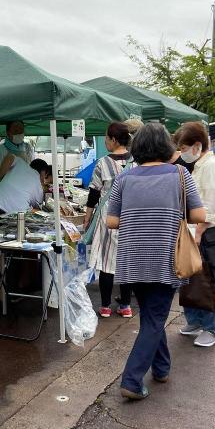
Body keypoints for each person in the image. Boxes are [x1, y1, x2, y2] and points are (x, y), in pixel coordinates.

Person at [106, 123, 206, 399]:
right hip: (165, 258)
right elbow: (198, 215)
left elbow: (111, 220)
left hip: (132, 258)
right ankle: (132, 380)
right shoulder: (180, 174)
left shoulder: (124, 178)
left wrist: (138, 215)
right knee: (154, 318)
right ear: (167, 147)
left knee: (151, 314)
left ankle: (161, 368)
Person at [175, 121, 215, 348]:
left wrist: (197, 235)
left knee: (208, 282)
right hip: (194, 232)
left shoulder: (210, 167)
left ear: (197, 145)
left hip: (207, 233)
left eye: (184, 148)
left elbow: (210, 205)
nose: (182, 153)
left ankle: (213, 328)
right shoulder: (200, 165)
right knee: (192, 280)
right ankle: (196, 321)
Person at [84, 121, 134, 318]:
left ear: (114, 139)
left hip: (108, 216)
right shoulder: (138, 162)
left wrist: (87, 218)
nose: (105, 141)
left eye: (106, 138)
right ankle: (126, 306)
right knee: (127, 261)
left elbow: (94, 194)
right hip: (131, 216)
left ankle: (105, 306)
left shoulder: (103, 163)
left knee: (106, 263)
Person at [0, 157, 52, 241]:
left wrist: (0, 178)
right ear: (44, 172)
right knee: (1, 241)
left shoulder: (20, 163)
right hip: (14, 215)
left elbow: (9, 157)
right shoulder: (38, 185)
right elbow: (37, 207)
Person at [0, 120, 34, 186]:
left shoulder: (27, 147)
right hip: (7, 187)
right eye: (16, 131)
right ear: (8, 133)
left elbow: (31, 168)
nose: (19, 133)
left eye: (21, 131)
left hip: (25, 185)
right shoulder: (0, 149)